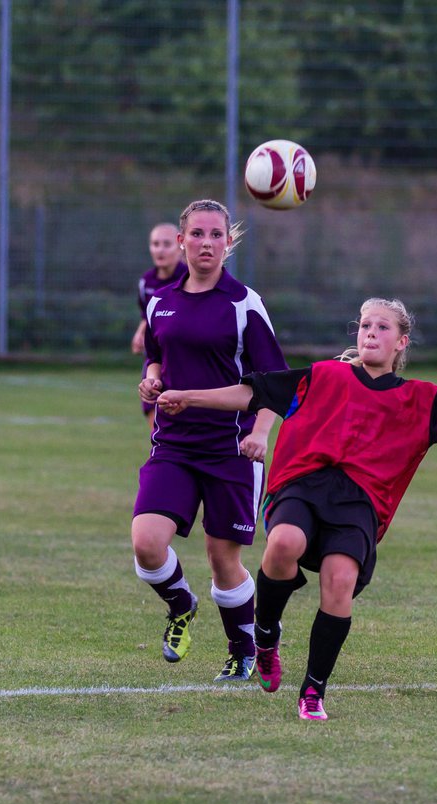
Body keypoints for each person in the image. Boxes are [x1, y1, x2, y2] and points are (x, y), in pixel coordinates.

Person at [155, 297, 437, 721]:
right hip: (303, 485)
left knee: (340, 580)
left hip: (361, 503)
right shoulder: (321, 376)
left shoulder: (421, 400)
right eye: (365, 325)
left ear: (401, 342)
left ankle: (313, 690)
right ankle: (265, 638)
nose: (370, 333)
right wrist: (188, 397)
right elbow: (250, 394)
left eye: (382, 327)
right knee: (284, 542)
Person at [132, 199, 287, 683]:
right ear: (181, 242)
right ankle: (181, 604)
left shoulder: (244, 304)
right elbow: (156, 358)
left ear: (229, 243)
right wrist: (152, 380)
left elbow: (271, 386)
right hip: (173, 446)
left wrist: (260, 433)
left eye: (216, 235)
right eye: (196, 234)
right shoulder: (162, 301)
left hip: (231, 451)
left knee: (224, 560)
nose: (205, 243)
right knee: (147, 544)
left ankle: (243, 653)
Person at [132, 223, 188, 431]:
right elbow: (148, 315)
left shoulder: (189, 278)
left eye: (166, 244)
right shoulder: (146, 282)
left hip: (183, 358)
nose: (160, 250)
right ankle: (161, 450)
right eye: (155, 244)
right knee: (152, 406)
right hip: (156, 358)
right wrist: (140, 332)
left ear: (180, 247)